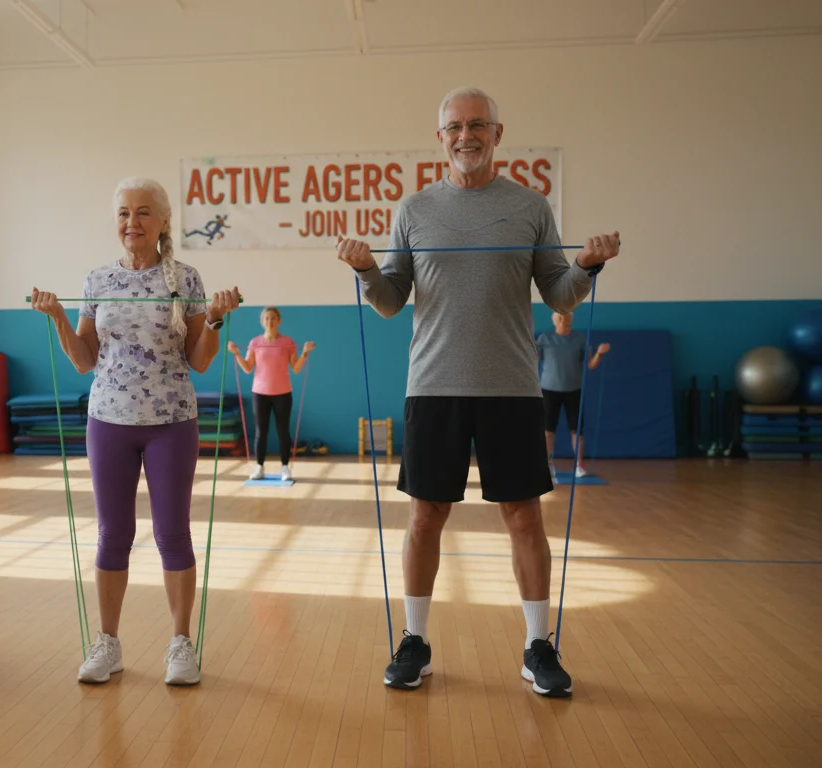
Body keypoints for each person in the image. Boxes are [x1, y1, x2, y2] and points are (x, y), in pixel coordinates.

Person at [335, 86, 621, 698]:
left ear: (497, 132)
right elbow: (389, 302)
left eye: (477, 125)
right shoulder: (413, 210)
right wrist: (365, 270)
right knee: (424, 517)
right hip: (433, 386)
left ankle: (538, 646)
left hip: (512, 389)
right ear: (440, 137)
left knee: (523, 518)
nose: (465, 135)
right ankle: (414, 642)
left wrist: (589, 265)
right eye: (454, 126)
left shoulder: (530, 207)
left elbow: (560, 294)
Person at [31, 176, 240, 687]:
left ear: (164, 221)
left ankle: (181, 645)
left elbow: (199, 361)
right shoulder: (97, 280)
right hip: (109, 421)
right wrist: (58, 316)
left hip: (171, 421)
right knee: (112, 535)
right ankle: (107, 644)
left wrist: (212, 320)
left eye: (144, 212)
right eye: (124, 213)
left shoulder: (184, 279)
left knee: (173, 533)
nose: (133, 222)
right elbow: (84, 361)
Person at [226, 307, 315, 481]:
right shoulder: (255, 342)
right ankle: (259, 467)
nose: (270, 321)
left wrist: (304, 353)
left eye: (273, 318)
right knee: (261, 431)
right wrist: (236, 353)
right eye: (267, 318)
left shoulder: (287, 342)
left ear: (279, 321)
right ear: (262, 321)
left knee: (283, 431)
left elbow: (296, 368)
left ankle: (285, 468)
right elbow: (248, 368)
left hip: (283, 393)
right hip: (260, 393)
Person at [537, 311, 610, 479]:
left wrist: (599, 353)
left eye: (569, 318)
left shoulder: (580, 339)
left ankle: (579, 465)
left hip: (574, 391)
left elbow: (591, 364)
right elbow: (532, 358)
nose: (566, 321)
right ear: (555, 321)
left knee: (577, 431)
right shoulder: (545, 339)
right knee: (548, 431)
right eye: (561, 318)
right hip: (549, 390)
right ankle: (547, 466)